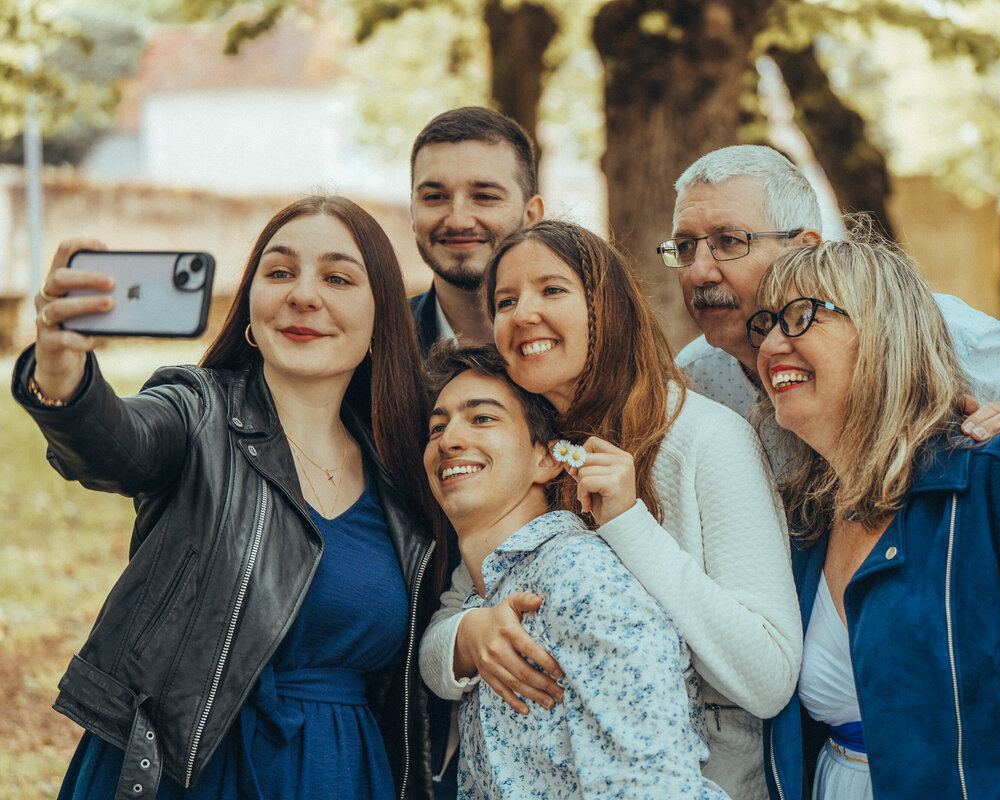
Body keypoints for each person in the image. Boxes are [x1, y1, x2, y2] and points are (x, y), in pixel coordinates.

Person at [14, 196, 446, 800]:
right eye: (279, 271)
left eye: (338, 277)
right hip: (188, 771)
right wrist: (62, 375)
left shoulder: (406, 472)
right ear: (250, 305)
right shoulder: (196, 411)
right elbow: (116, 444)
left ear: (382, 319)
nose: (302, 294)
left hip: (344, 775)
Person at [754, 225, 1000, 799]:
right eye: (764, 326)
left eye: (799, 317)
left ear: (883, 333)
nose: (771, 346)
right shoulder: (802, 520)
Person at [418, 220, 803, 800]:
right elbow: (457, 610)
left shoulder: (704, 438)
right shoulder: (530, 445)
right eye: (505, 300)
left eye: (552, 290)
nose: (523, 314)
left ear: (606, 308)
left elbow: (769, 676)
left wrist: (629, 524)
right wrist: (468, 638)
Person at [667, 145, 1000, 509]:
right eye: (685, 247)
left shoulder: (930, 331)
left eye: (729, 241)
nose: (700, 271)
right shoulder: (695, 380)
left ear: (805, 247)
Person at [421, 341, 730, 799]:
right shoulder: (484, 592)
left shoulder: (577, 573)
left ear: (547, 458)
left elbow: (653, 785)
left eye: (482, 418)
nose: (449, 440)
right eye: (436, 428)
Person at [408, 106, 545, 353]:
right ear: (412, 213)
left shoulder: (587, 344)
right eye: (435, 197)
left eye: (485, 196)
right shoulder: (373, 347)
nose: (458, 221)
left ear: (531, 215)